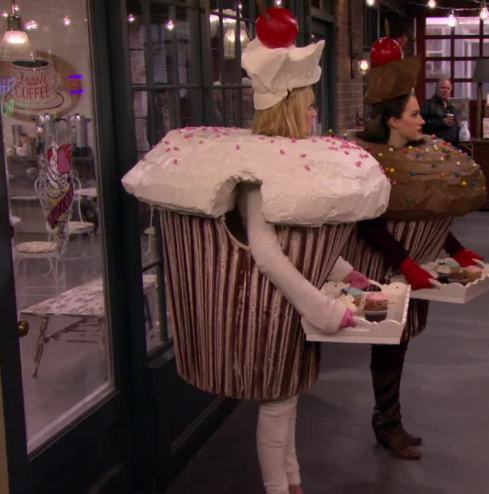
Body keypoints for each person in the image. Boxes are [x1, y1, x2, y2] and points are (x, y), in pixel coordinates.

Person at [124, 11, 392, 493]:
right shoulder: (257, 175)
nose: (314, 115)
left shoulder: (296, 168)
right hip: (268, 312)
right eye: (309, 106)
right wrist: (323, 308)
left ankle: (293, 483)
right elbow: (266, 251)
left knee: (285, 400)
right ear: (290, 109)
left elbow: (303, 243)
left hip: (286, 309)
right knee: (278, 403)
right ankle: (280, 487)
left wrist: (345, 272)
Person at [342, 45, 486, 460]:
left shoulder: (419, 156)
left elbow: (426, 213)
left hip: (410, 264)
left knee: (399, 343)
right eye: (415, 114)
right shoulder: (369, 161)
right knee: (388, 342)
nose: (423, 121)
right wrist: (403, 263)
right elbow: (370, 225)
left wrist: (455, 249)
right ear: (392, 120)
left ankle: (389, 420)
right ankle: (388, 424)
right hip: (382, 265)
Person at [421, 78, 459, 144]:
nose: (445, 91)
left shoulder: (451, 107)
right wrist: (441, 122)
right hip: (434, 145)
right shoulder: (428, 104)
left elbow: (455, 127)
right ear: (436, 89)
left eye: (448, 88)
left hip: (450, 145)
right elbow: (423, 125)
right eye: (442, 87)